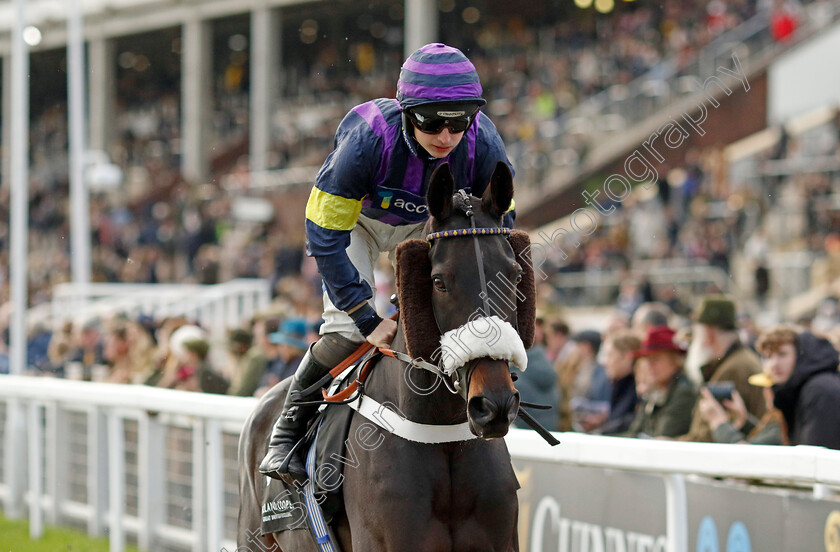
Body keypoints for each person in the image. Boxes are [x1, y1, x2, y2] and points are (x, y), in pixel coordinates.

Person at [260, 43, 515, 481]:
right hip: (355, 224)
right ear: (406, 111)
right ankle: (286, 433)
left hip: (429, 223)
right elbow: (324, 233)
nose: (446, 137)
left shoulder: (483, 142)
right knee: (344, 331)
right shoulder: (368, 140)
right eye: (432, 121)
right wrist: (363, 315)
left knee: (439, 320)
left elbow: (500, 229)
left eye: (459, 122)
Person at [678, 296, 765, 442]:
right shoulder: (738, 361)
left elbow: (713, 433)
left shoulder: (733, 369)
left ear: (709, 332)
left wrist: (673, 445)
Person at [749, 326, 840, 449]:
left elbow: (816, 456)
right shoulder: (802, 389)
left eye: (782, 354)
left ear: (800, 355)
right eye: (768, 357)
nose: (774, 364)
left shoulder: (819, 390)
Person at [624, 326, 697, 439]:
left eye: (656, 359)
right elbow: (634, 432)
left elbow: (664, 435)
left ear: (675, 360)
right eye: (648, 360)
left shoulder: (683, 392)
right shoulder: (654, 388)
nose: (650, 366)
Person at [598, 329, 641, 435]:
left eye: (609, 355)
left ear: (627, 357)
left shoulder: (639, 390)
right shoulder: (619, 384)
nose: (604, 362)